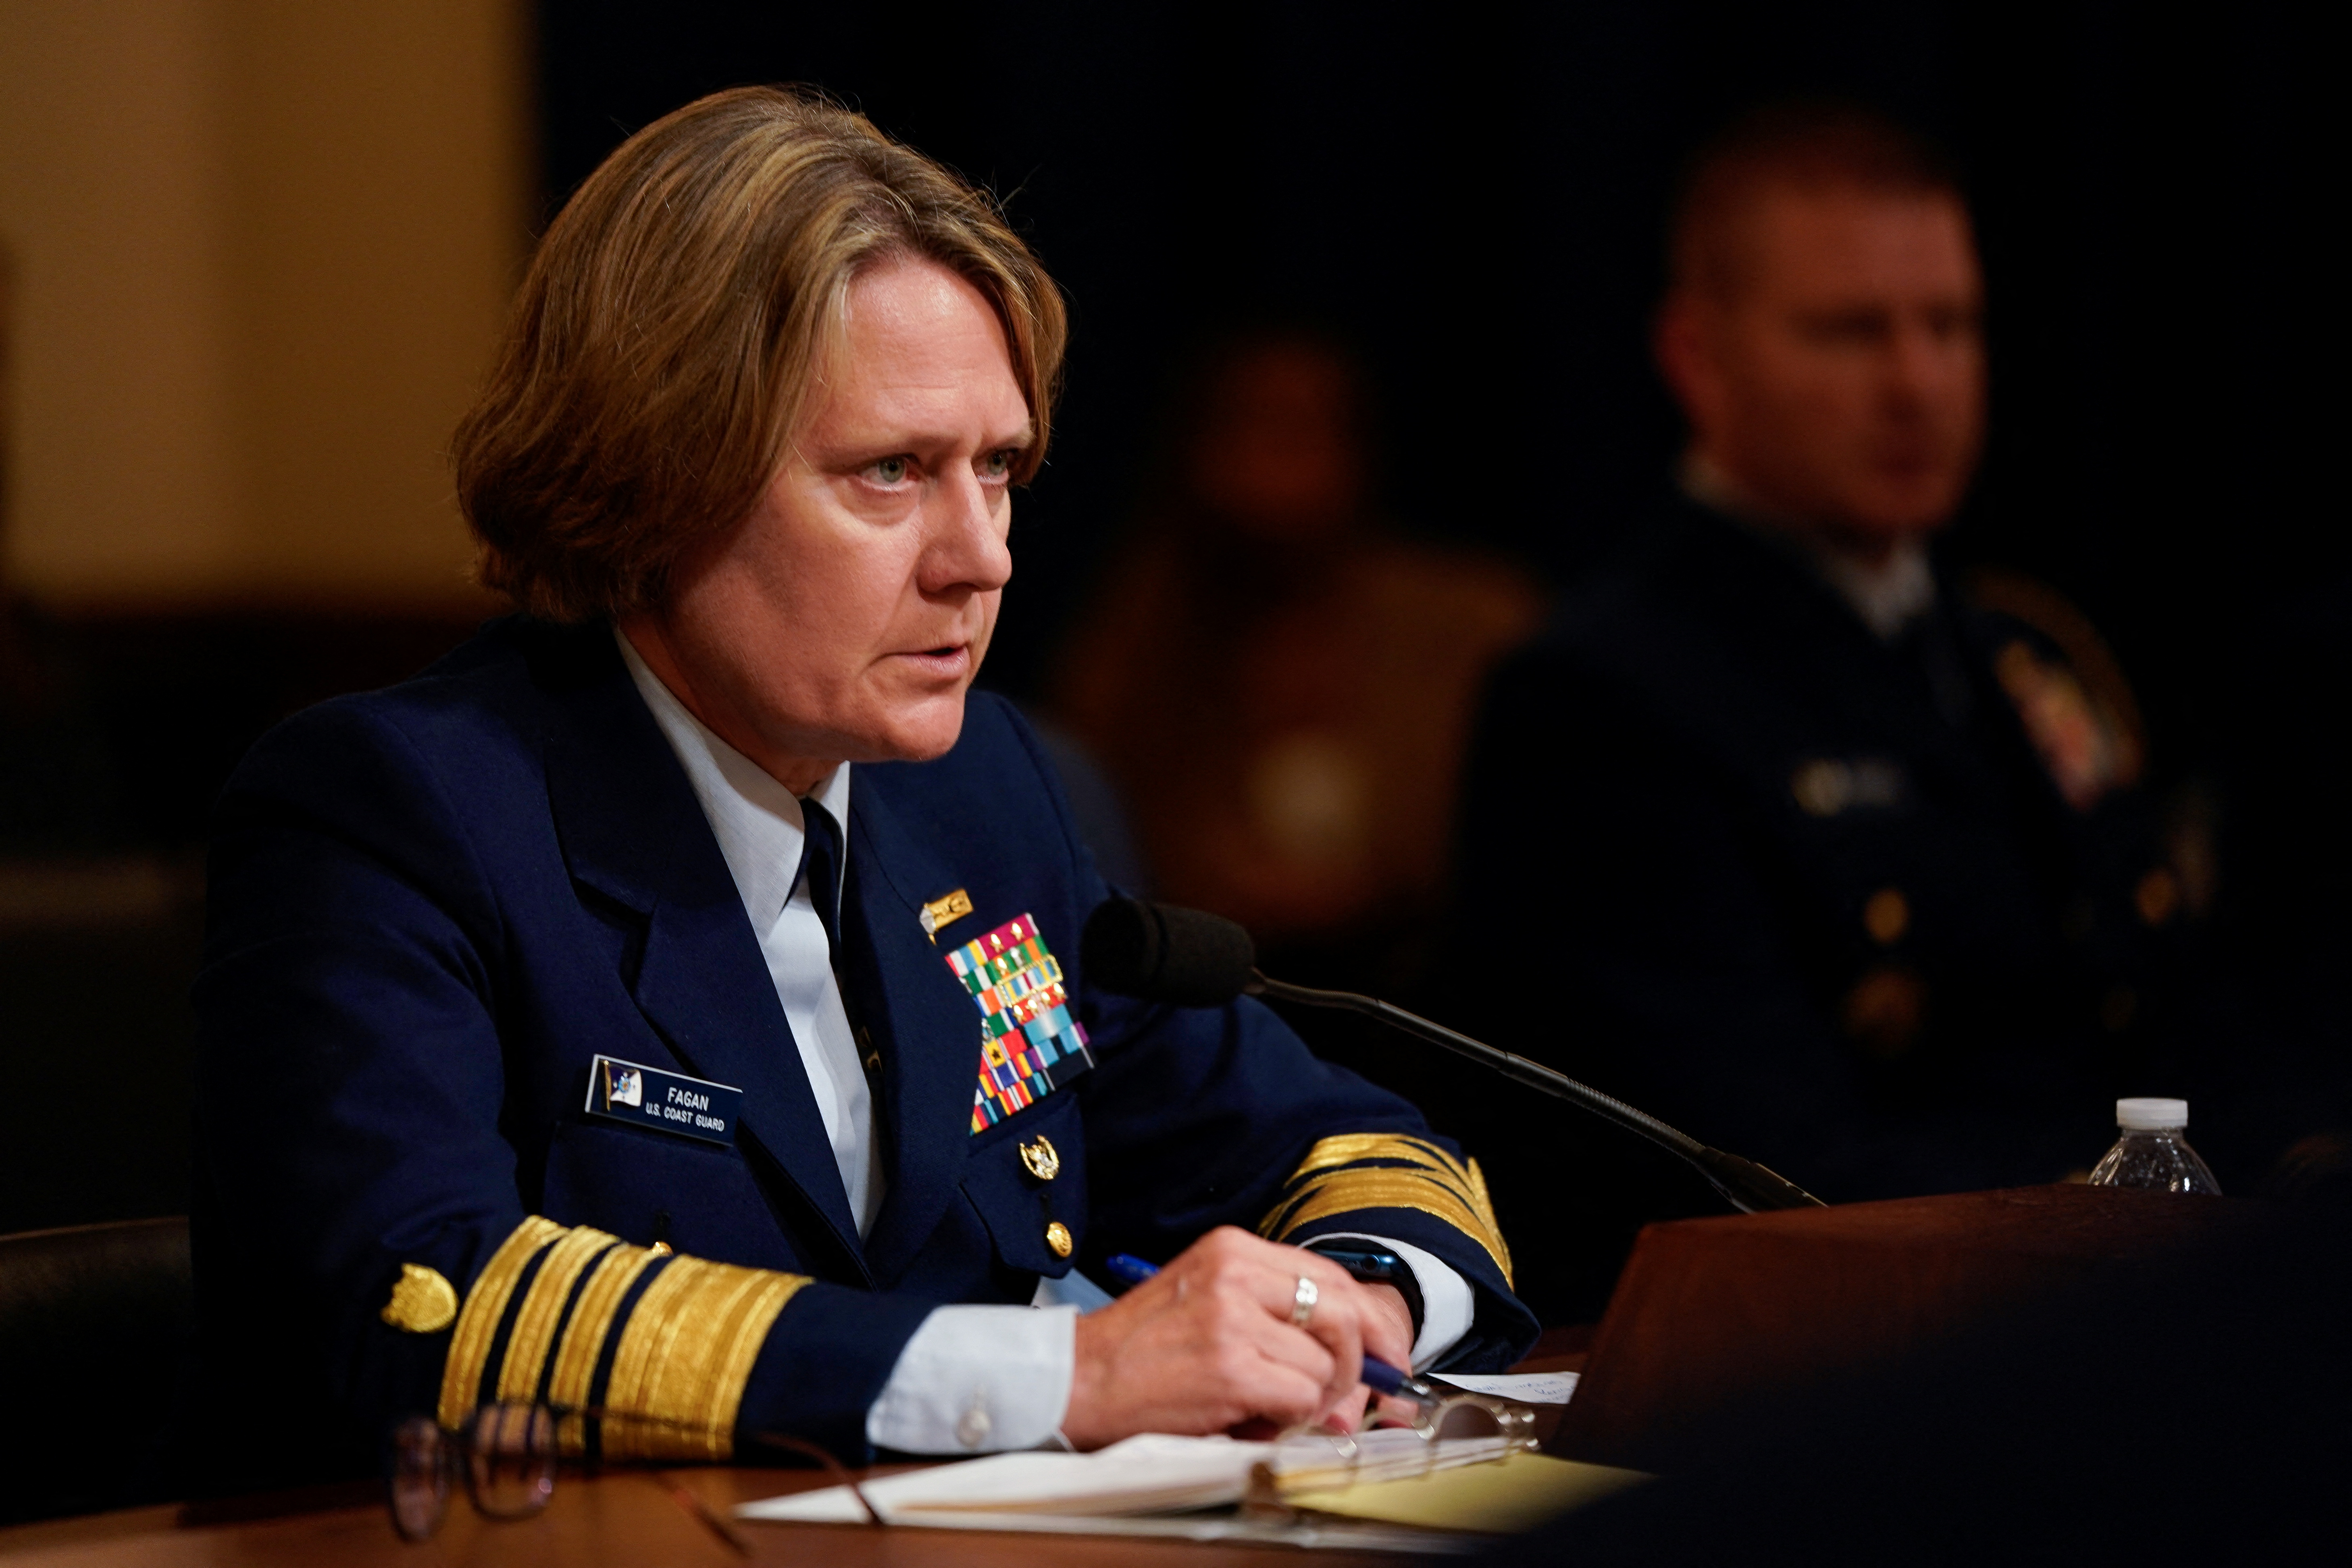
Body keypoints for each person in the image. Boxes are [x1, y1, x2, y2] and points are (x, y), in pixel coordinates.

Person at [191, 88, 1534, 1487]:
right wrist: (1067, 1376)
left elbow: (1342, 1144)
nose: (981, 557)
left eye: (998, 468)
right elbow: (426, 1303)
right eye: (891, 473)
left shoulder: (979, 793)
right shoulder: (398, 812)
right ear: (656, 477)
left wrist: (1352, 1313)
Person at [1443, 103, 2189, 1314]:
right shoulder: (1600, 697)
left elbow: (2156, 1015)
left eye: (1948, 326)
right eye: (1850, 332)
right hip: (1831, 1364)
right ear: (1700, 358)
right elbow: (1753, 1169)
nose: (1914, 381)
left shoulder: (2012, 659)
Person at [1055, 329, 1543, 977]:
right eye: (1246, 428)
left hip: (1441, 1002)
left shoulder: (1469, 625)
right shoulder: (1140, 643)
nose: (1272, 463)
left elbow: (1531, 843)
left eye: (1301, 429)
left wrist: (1376, 894)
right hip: (1219, 1007)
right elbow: (1103, 857)